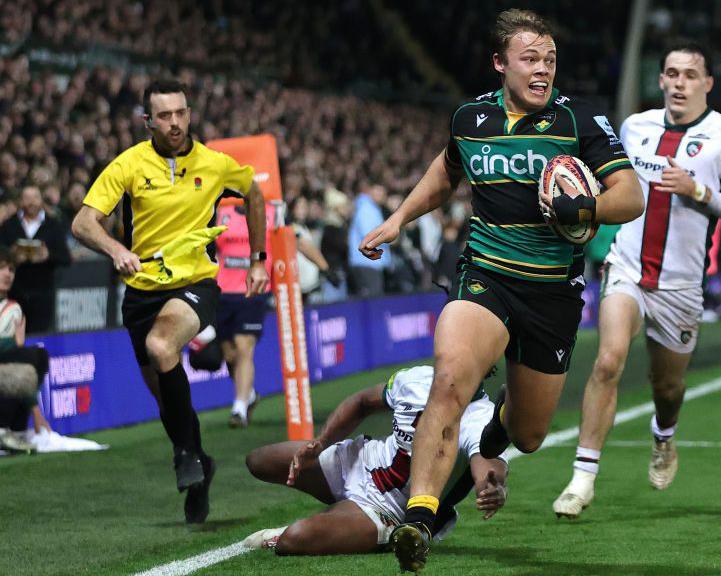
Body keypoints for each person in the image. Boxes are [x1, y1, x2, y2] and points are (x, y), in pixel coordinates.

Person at [359, 9, 643, 571]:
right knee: (449, 376)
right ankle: (419, 517)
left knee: (530, 434)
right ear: (500, 63)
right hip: (485, 276)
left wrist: (584, 206)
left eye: (550, 60)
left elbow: (631, 196)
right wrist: (397, 220)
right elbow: (447, 171)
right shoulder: (470, 118)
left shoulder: (580, 119)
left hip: (552, 294)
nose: (543, 70)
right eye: (530, 59)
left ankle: (490, 443)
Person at [551, 42, 721, 518]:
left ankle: (664, 435)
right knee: (607, 361)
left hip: (681, 286)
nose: (680, 82)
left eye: (691, 74)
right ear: (661, 81)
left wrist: (699, 190)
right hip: (626, 268)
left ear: (708, 84)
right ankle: (582, 480)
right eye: (672, 73)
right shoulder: (635, 127)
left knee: (667, 389)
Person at [71, 79, 268, 523]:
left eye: (180, 113)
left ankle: (186, 456)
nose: (175, 122)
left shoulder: (216, 164)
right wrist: (117, 250)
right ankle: (198, 459)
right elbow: (83, 223)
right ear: (148, 122)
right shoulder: (129, 165)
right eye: (164, 115)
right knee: (165, 397)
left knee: (162, 347)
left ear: (190, 113)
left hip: (194, 283)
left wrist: (258, 259)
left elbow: (254, 194)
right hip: (141, 292)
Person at [243, 365, 508, 555]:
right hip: (360, 461)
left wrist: (491, 488)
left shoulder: (481, 417)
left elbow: (486, 469)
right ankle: (340, 519)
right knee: (258, 461)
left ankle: (376, 531)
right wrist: (321, 443)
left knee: (294, 539)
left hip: (388, 508)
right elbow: (362, 402)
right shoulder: (416, 378)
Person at [212, 202, 339, 428]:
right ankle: (249, 394)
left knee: (244, 347)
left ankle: (238, 408)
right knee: (230, 354)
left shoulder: (273, 211)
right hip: (223, 292)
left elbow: (298, 240)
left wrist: (325, 267)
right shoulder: (222, 210)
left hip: (255, 290)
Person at [0, 185, 72, 333]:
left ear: (41, 200)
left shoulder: (53, 225)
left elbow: (65, 258)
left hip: (43, 295)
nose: (31, 202)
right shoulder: (9, 225)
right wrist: (11, 255)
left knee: (40, 340)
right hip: (16, 294)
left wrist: (48, 255)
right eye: (27, 198)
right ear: (20, 201)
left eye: (35, 197)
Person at [0, 249, 50, 454]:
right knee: (29, 358)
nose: (8, 274)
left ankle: (12, 430)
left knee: (32, 359)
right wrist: (14, 346)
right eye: (1, 268)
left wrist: (16, 348)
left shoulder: (13, 309)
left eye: (11, 269)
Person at [348, 183, 389, 297]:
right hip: (367, 262)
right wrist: (389, 237)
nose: (381, 195)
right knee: (372, 300)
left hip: (370, 261)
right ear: (370, 191)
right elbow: (369, 235)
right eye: (378, 191)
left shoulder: (372, 208)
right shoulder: (366, 209)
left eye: (383, 192)